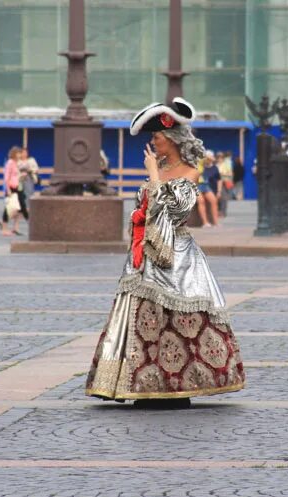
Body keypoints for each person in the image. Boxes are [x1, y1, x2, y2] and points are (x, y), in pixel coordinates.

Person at [85, 97, 245, 408]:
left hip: (177, 257)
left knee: (178, 317)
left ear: (171, 139)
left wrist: (154, 179)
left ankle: (176, 384)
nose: (153, 143)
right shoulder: (159, 168)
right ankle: (140, 382)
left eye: (156, 137)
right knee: (141, 318)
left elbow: (176, 212)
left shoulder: (190, 171)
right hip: (146, 253)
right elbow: (146, 210)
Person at [0, 146, 28, 236]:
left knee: (20, 208)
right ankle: (4, 228)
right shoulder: (10, 163)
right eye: (18, 153)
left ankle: (15, 227)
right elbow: (7, 177)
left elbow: (16, 175)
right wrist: (8, 189)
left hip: (18, 187)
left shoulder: (17, 163)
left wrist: (22, 175)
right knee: (10, 208)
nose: (20, 155)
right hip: (11, 187)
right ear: (14, 154)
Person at [196, 150, 221, 227]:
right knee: (201, 201)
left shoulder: (212, 166)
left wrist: (219, 191)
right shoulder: (199, 162)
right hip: (196, 184)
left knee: (213, 201)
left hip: (205, 184)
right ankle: (205, 222)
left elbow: (212, 160)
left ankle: (216, 222)